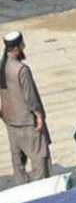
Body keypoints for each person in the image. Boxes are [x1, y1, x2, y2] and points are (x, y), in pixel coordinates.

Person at [0, 31, 50, 184]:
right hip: (28, 122)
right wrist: (39, 116)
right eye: (22, 45)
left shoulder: (3, 67)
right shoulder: (21, 70)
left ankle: (22, 190)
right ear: (16, 48)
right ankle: (42, 191)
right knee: (40, 158)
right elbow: (30, 98)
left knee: (18, 162)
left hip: (11, 122)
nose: (24, 47)